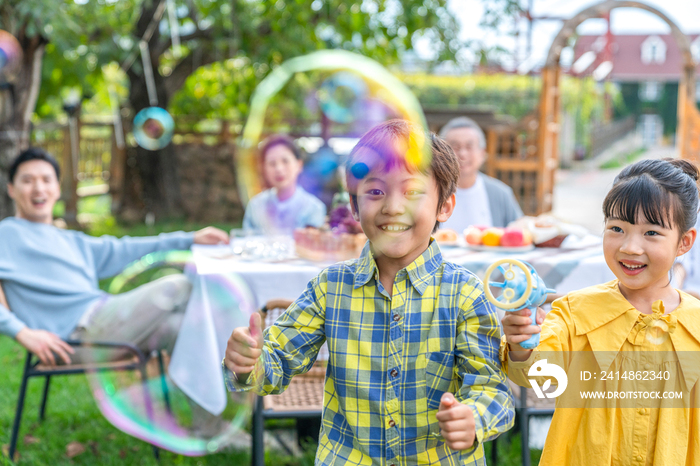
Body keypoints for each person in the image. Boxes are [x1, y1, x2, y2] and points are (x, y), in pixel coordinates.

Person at [224, 120, 514, 465]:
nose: (392, 206)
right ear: (355, 206)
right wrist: (248, 363)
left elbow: (492, 390)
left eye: (413, 192)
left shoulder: (465, 294)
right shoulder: (330, 288)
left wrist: (473, 417)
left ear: (444, 207)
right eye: (375, 191)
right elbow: (276, 361)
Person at [501, 158, 700, 465]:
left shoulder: (696, 325)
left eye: (651, 233)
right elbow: (538, 375)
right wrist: (521, 344)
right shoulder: (574, 312)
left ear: (684, 242)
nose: (630, 247)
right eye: (617, 228)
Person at [0, 147, 230, 366]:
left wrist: (188, 239)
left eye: (46, 180)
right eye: (28, 181)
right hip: (76, 337)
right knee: (178, 285)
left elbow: (127, 250)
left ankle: (244, 399)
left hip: (104, 321)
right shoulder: (6, 234)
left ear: (57, 189)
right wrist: (22, 332)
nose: (38, 188)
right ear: (11, 189)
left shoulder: (72, 241)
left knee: (181, 328)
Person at [438, 117, 522, 231]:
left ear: (482, 153)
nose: (462, 154)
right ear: (441, 154)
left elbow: (520, 234)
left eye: (469, 146)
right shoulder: (430, 192)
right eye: (455, 147)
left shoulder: (500, 194)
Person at [242, 135, 326, 234]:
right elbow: (246, 241)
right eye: (272, 163)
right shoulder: (255, 205)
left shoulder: (314, 208)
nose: (279, 169)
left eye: (285, 161)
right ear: (264, 169)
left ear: (299, 165)